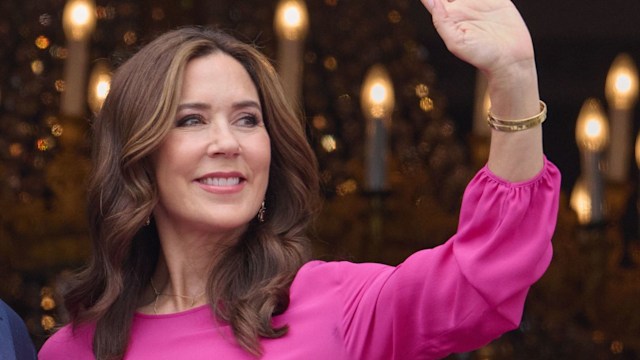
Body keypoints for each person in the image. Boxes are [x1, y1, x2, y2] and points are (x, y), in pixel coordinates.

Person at [39, 0, 561, 359]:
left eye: (248, 119)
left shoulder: (337, 303)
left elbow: (485, 273)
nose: (229, 142)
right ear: (138, 158)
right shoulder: (73, 350)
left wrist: (514, 77)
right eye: (191, 119)